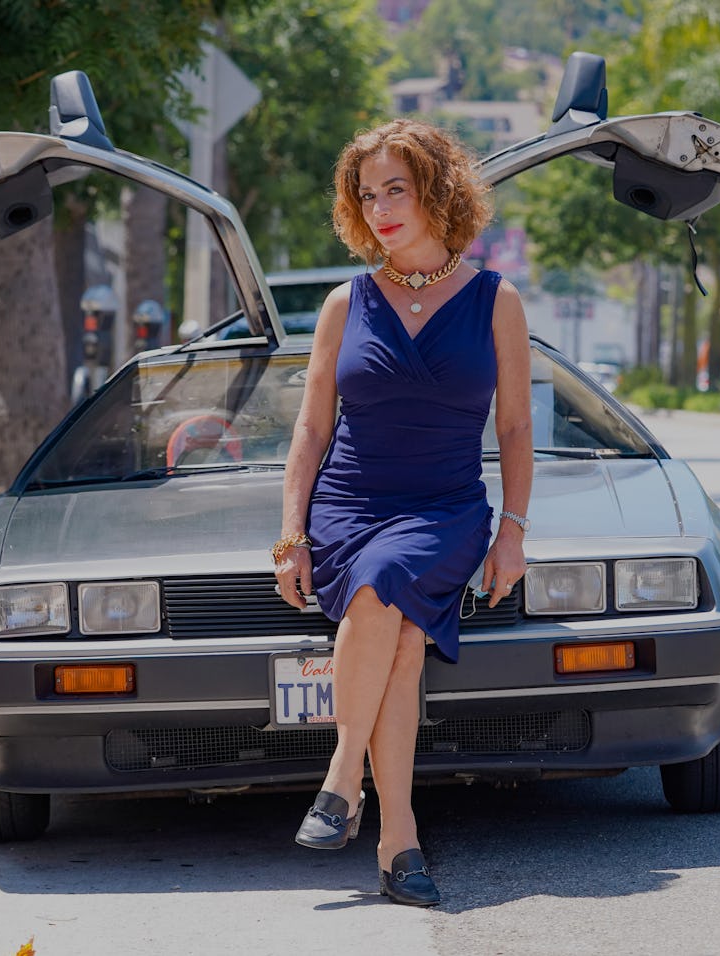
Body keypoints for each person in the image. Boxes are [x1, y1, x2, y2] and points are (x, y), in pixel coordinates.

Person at [273, 118, 533, 907]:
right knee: (402, 642)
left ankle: (340, 775)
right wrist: (292, 534)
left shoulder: (496, 298)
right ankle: (399, 843)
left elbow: (516, 427)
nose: (380, 207)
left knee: (383, 584)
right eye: (366, 192)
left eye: (398, 188)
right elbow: (312, 427)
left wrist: (513, 532)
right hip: (351, 502)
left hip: (445, 506)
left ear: (437, 190)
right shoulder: (344, 303)